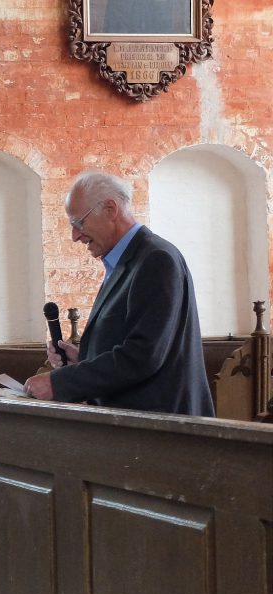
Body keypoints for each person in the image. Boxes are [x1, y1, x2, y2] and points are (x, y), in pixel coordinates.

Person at [24, 170, 214, 417]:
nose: (75, 236)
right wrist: (84, 360)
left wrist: (60, 382)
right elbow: (130, 344)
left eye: (79, 223)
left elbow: (143, 356)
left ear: (110, 209)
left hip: (160, 426)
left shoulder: (156, 260)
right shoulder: (128, 261)